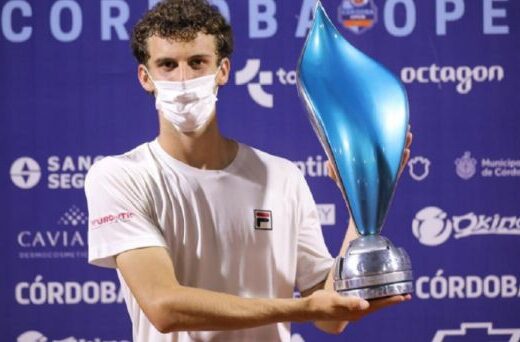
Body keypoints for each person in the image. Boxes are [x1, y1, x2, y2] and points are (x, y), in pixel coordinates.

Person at [84, 0, 412, 341]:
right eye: (167, 65)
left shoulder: (282, 176)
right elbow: (165, 307)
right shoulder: (119, 177)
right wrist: (303, 308)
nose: (183, 80)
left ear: (222, 70)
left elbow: (330, 316)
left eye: (198, 63)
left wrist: (361, 205)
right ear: (145, 77)